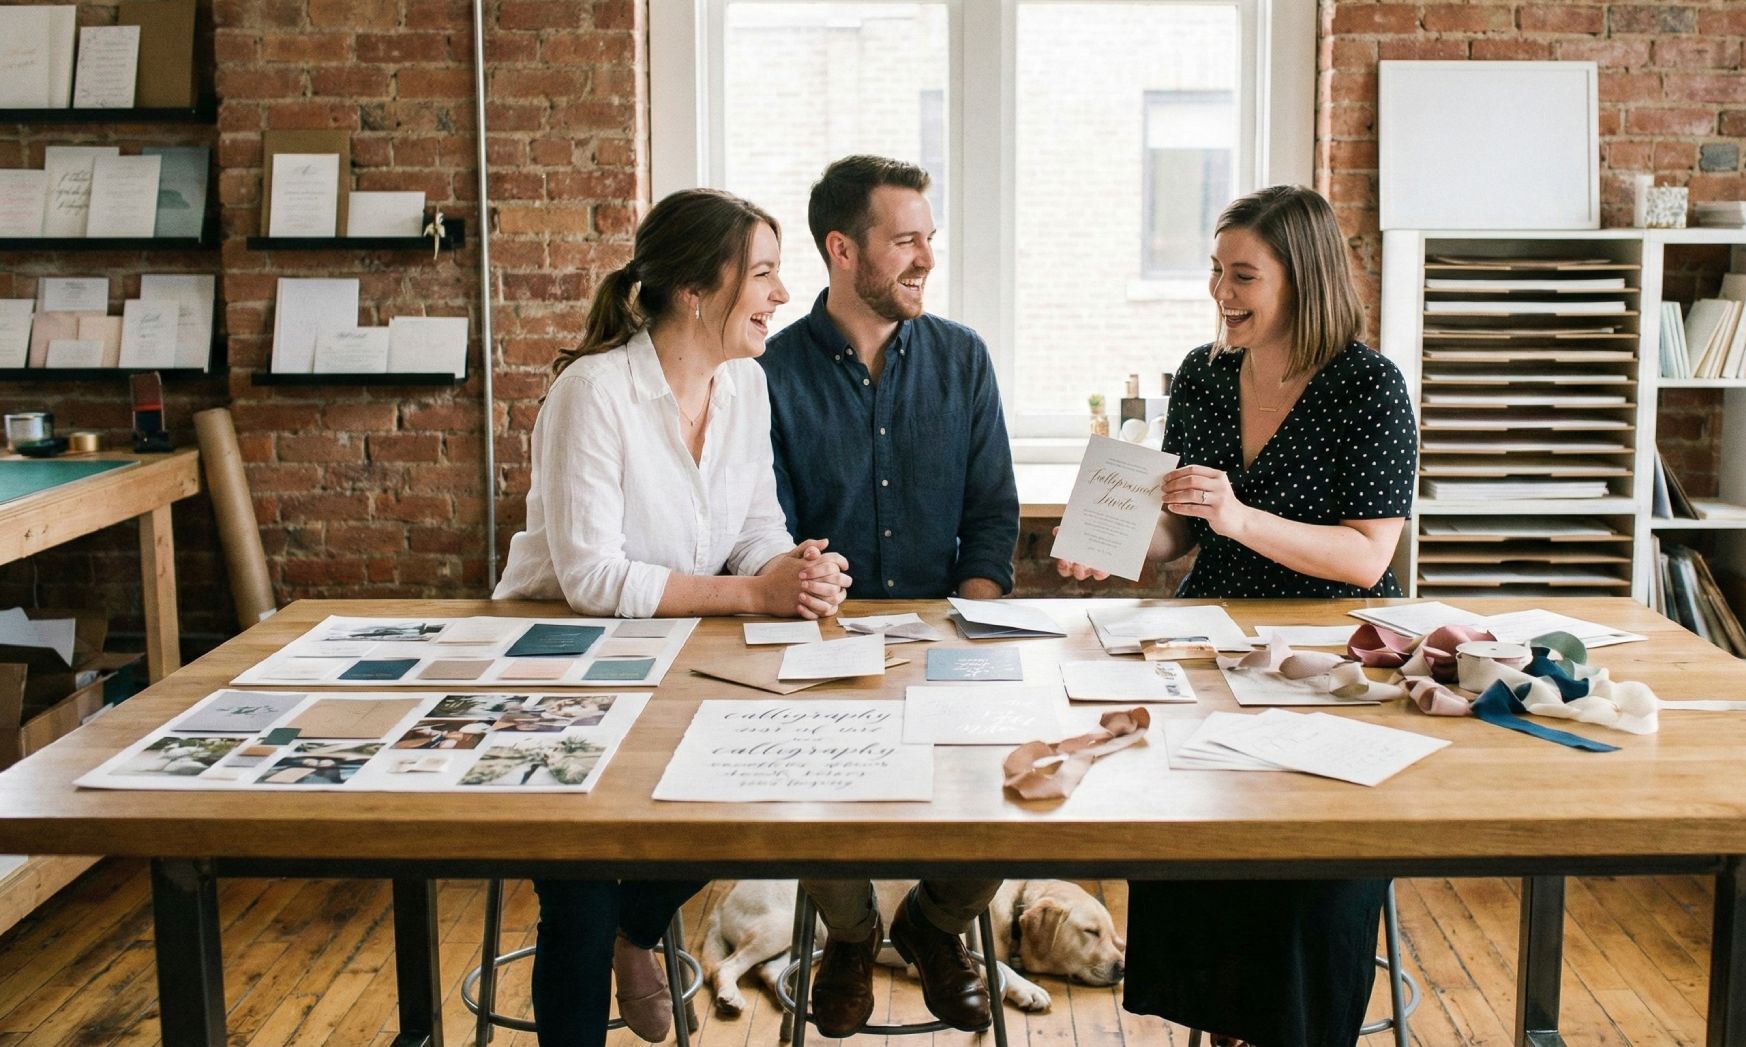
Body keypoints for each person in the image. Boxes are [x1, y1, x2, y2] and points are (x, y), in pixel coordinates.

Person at [1057, 185, 1417, 1046]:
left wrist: (1239, 516)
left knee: (1300, 866)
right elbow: (1180, 528)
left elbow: (1368, 556)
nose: (1222, 292)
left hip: (1330, 662)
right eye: (1216, 272)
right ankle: (1215, 1023)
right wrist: (1117, 541)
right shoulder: (1207, 375)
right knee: (1186, 832)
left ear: (1304, 280)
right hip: (1207, 648)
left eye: (1243, 275)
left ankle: (1290, 1027)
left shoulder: (1370, 387)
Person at [494, 188, 854, 1046]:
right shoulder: (594, 392)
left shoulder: (747, 387)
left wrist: (792, 570)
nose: (778, 294)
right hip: (562, 668)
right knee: (579, 893)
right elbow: (589, 576)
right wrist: (752, 595)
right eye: (763, 274)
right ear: (698, 289)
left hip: (672, 662)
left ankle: (637, 928)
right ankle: (611, 930)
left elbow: (754, 524)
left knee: (764, 791)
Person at [758, 155, 1018, 1037]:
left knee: (1010, 792)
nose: (925, 259)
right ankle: (852, 933)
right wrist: (815, 612)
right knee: (804, 790)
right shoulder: (767, 371)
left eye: (929, 239)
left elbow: (992, 515)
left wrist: (972, 622)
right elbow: (768, 529)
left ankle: (933, 925)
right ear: (842, 248)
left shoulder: (964, 358)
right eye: (905, 240)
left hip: (951, 634)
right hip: (821, 640)